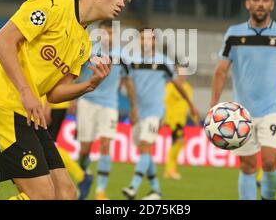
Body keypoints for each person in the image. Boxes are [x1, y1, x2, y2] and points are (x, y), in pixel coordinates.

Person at [0, 0, 134, 200]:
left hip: (28, 115)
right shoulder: (52, 6)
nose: (122, 3)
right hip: (0, 104)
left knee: (66, 194)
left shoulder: (84, 44)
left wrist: (90, 85)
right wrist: (26, 92)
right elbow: (1, 41)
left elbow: (56, 94)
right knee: (43, 196)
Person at [211, 0, 276, 200]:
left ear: (271, 4)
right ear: (247, 3)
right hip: (241, 114)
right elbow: (221, 71)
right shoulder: (233, 34)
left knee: (270, 161)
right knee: (248, 165)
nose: (260, 4)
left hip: (273, 109)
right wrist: (213, 106)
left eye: (264, 0)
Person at [122, 28, 199, 200]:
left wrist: (190, 103)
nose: (146, 42)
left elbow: (178, 84)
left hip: (156, 112)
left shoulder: (164, 62)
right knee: (144, 151)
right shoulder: (131, 61)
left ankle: (133, 187)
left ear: (155, 42)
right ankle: (156, 190)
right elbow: (128, 84)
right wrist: (133, 108)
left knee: (145, 144)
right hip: (138, 112)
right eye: (143, 39)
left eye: (149, 39)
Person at [75, 20, 137, 200]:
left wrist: (133, 107)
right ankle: (84, 174)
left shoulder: (123, 56)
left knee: (105, 144)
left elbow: (128, 81)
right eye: (104, 33)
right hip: (87, 102)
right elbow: (75, 74)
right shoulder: (89, 51)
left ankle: (100, 190)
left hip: (110, 104)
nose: (107, 36)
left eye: (111, 33)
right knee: (85, 148)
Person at [43, 100, 93, 200]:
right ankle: (80, 176)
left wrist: (47, 106)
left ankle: (82, 175)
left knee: (47, 146)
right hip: (56, 104)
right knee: (46, 146)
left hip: (52, 105)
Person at [163, 65, 199, 180]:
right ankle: (170, 169)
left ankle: (170, 170)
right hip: (172, 119)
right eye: (181, 72)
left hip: (181, 119)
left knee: (177, 143)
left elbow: (189, 104)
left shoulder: (188, 88)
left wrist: (194, 118)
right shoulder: (171, 86)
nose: (183, 75)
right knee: (179, 141)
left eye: (185, 73)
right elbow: (164, 101)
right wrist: (163, 117)